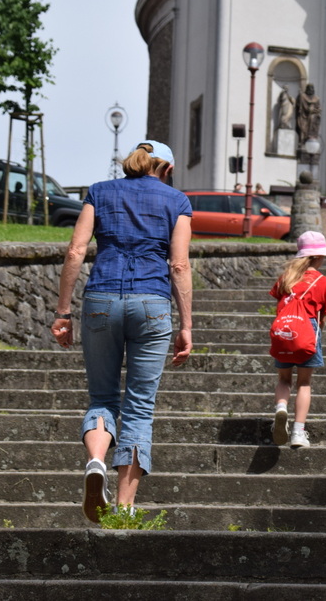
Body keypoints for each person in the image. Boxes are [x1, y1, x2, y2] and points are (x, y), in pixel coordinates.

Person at [52, 141, 193, 522]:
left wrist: (63, 312)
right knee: (139, 407)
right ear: (166, 169)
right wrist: (186, 325)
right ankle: (125, 508)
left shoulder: (99, 192)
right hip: (152, 303)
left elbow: (75, 251)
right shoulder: (177, 201)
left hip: (101, 299)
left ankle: (96, 461)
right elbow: (179, 265)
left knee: (102, 397)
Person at [270, 231, 326, 448]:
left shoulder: (286, 277)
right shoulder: (323, 282)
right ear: (319, 257)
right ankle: (298, 432)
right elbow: (322, 315)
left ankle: (281, 408)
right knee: (304, 383)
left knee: (284, 379)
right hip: (307, 330)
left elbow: (279, 307)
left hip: (284, 331)